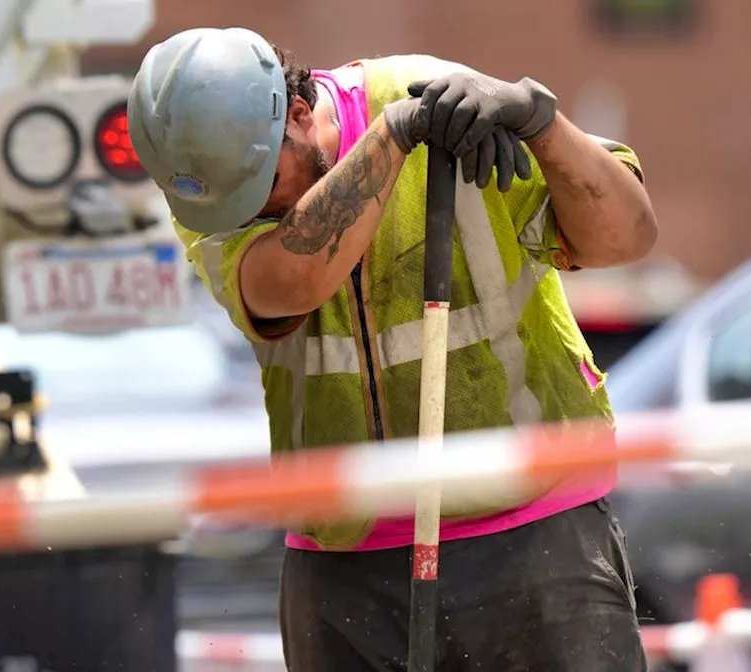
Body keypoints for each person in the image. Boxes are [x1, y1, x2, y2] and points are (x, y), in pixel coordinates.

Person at [127, 26, 658, 672]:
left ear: (298, 113)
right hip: (347, 570)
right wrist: (395, 137)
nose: (250, 216)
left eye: (262, 192)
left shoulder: (428, 93)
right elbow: (287, 280)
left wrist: (540, 122)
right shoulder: (210, 188)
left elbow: (627, 237)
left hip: (535, 533)